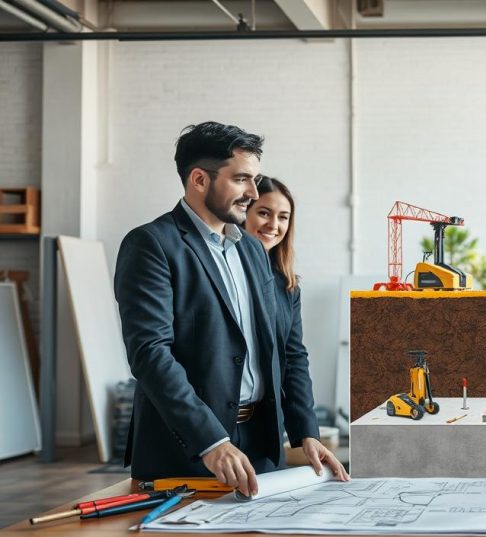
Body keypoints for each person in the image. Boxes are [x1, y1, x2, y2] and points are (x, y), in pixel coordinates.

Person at [114, 122, 343, 496]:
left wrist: (305, 432)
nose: (253, 193)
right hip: (189, 449)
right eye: (241, 180)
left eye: (254, 180)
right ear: (200, 179)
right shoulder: (151, 245)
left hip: (262, 444)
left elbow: (287, 350)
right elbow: (150, 353)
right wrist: (210, 441)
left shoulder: (250, 249)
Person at [244, 176, 349, 480]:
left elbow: (294, 358)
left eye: (283, 217)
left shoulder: (287, 285)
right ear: (243, 212)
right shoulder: (225, 275)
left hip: (265, 431)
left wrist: (307, 433)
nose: (273, 224)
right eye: (264, 212)